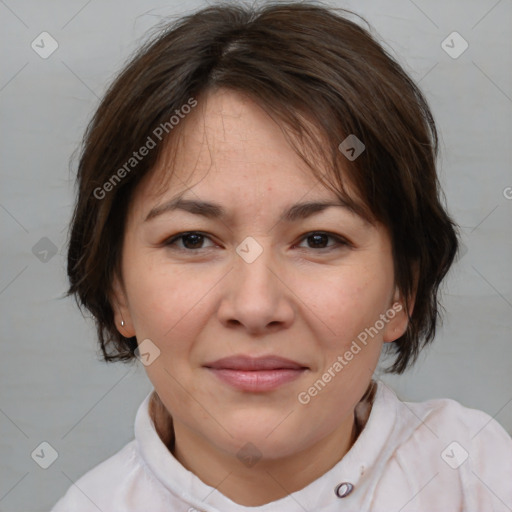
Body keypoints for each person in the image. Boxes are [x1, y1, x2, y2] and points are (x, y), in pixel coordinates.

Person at [52, 2, 512, 511]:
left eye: (319, 240)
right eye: (192, 240)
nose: (255, 307)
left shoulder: (479, 477)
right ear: (116, 287)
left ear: (403, 290)